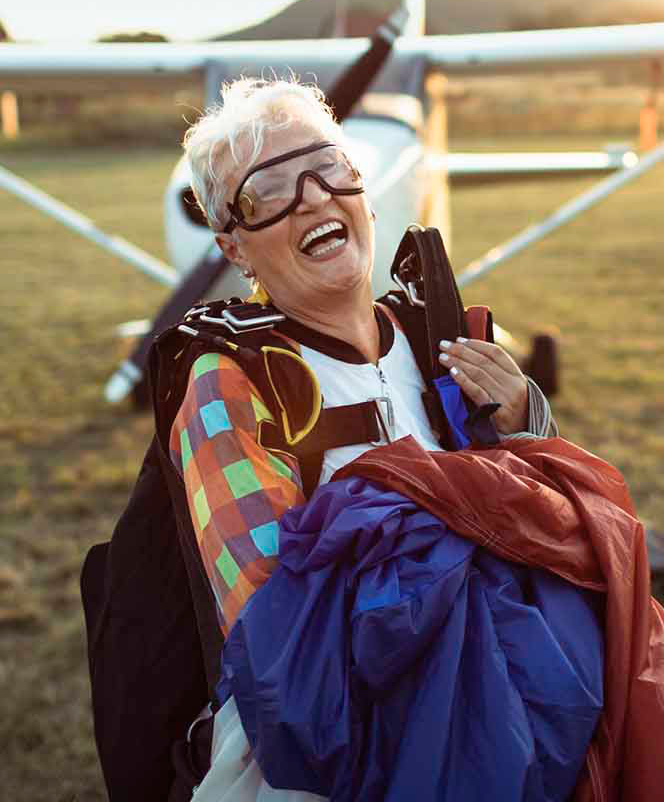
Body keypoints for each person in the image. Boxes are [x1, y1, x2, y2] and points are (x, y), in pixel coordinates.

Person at [171, 77, 559, 800]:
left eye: (330, 169)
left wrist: (525, 420)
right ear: (236, 247)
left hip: (518, 688)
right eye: (270, 190)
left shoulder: (440, 338)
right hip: (330, 739)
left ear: (364, 192)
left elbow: (554, 523)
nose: (313, 197)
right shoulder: (228, 386)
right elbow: (280, 621)